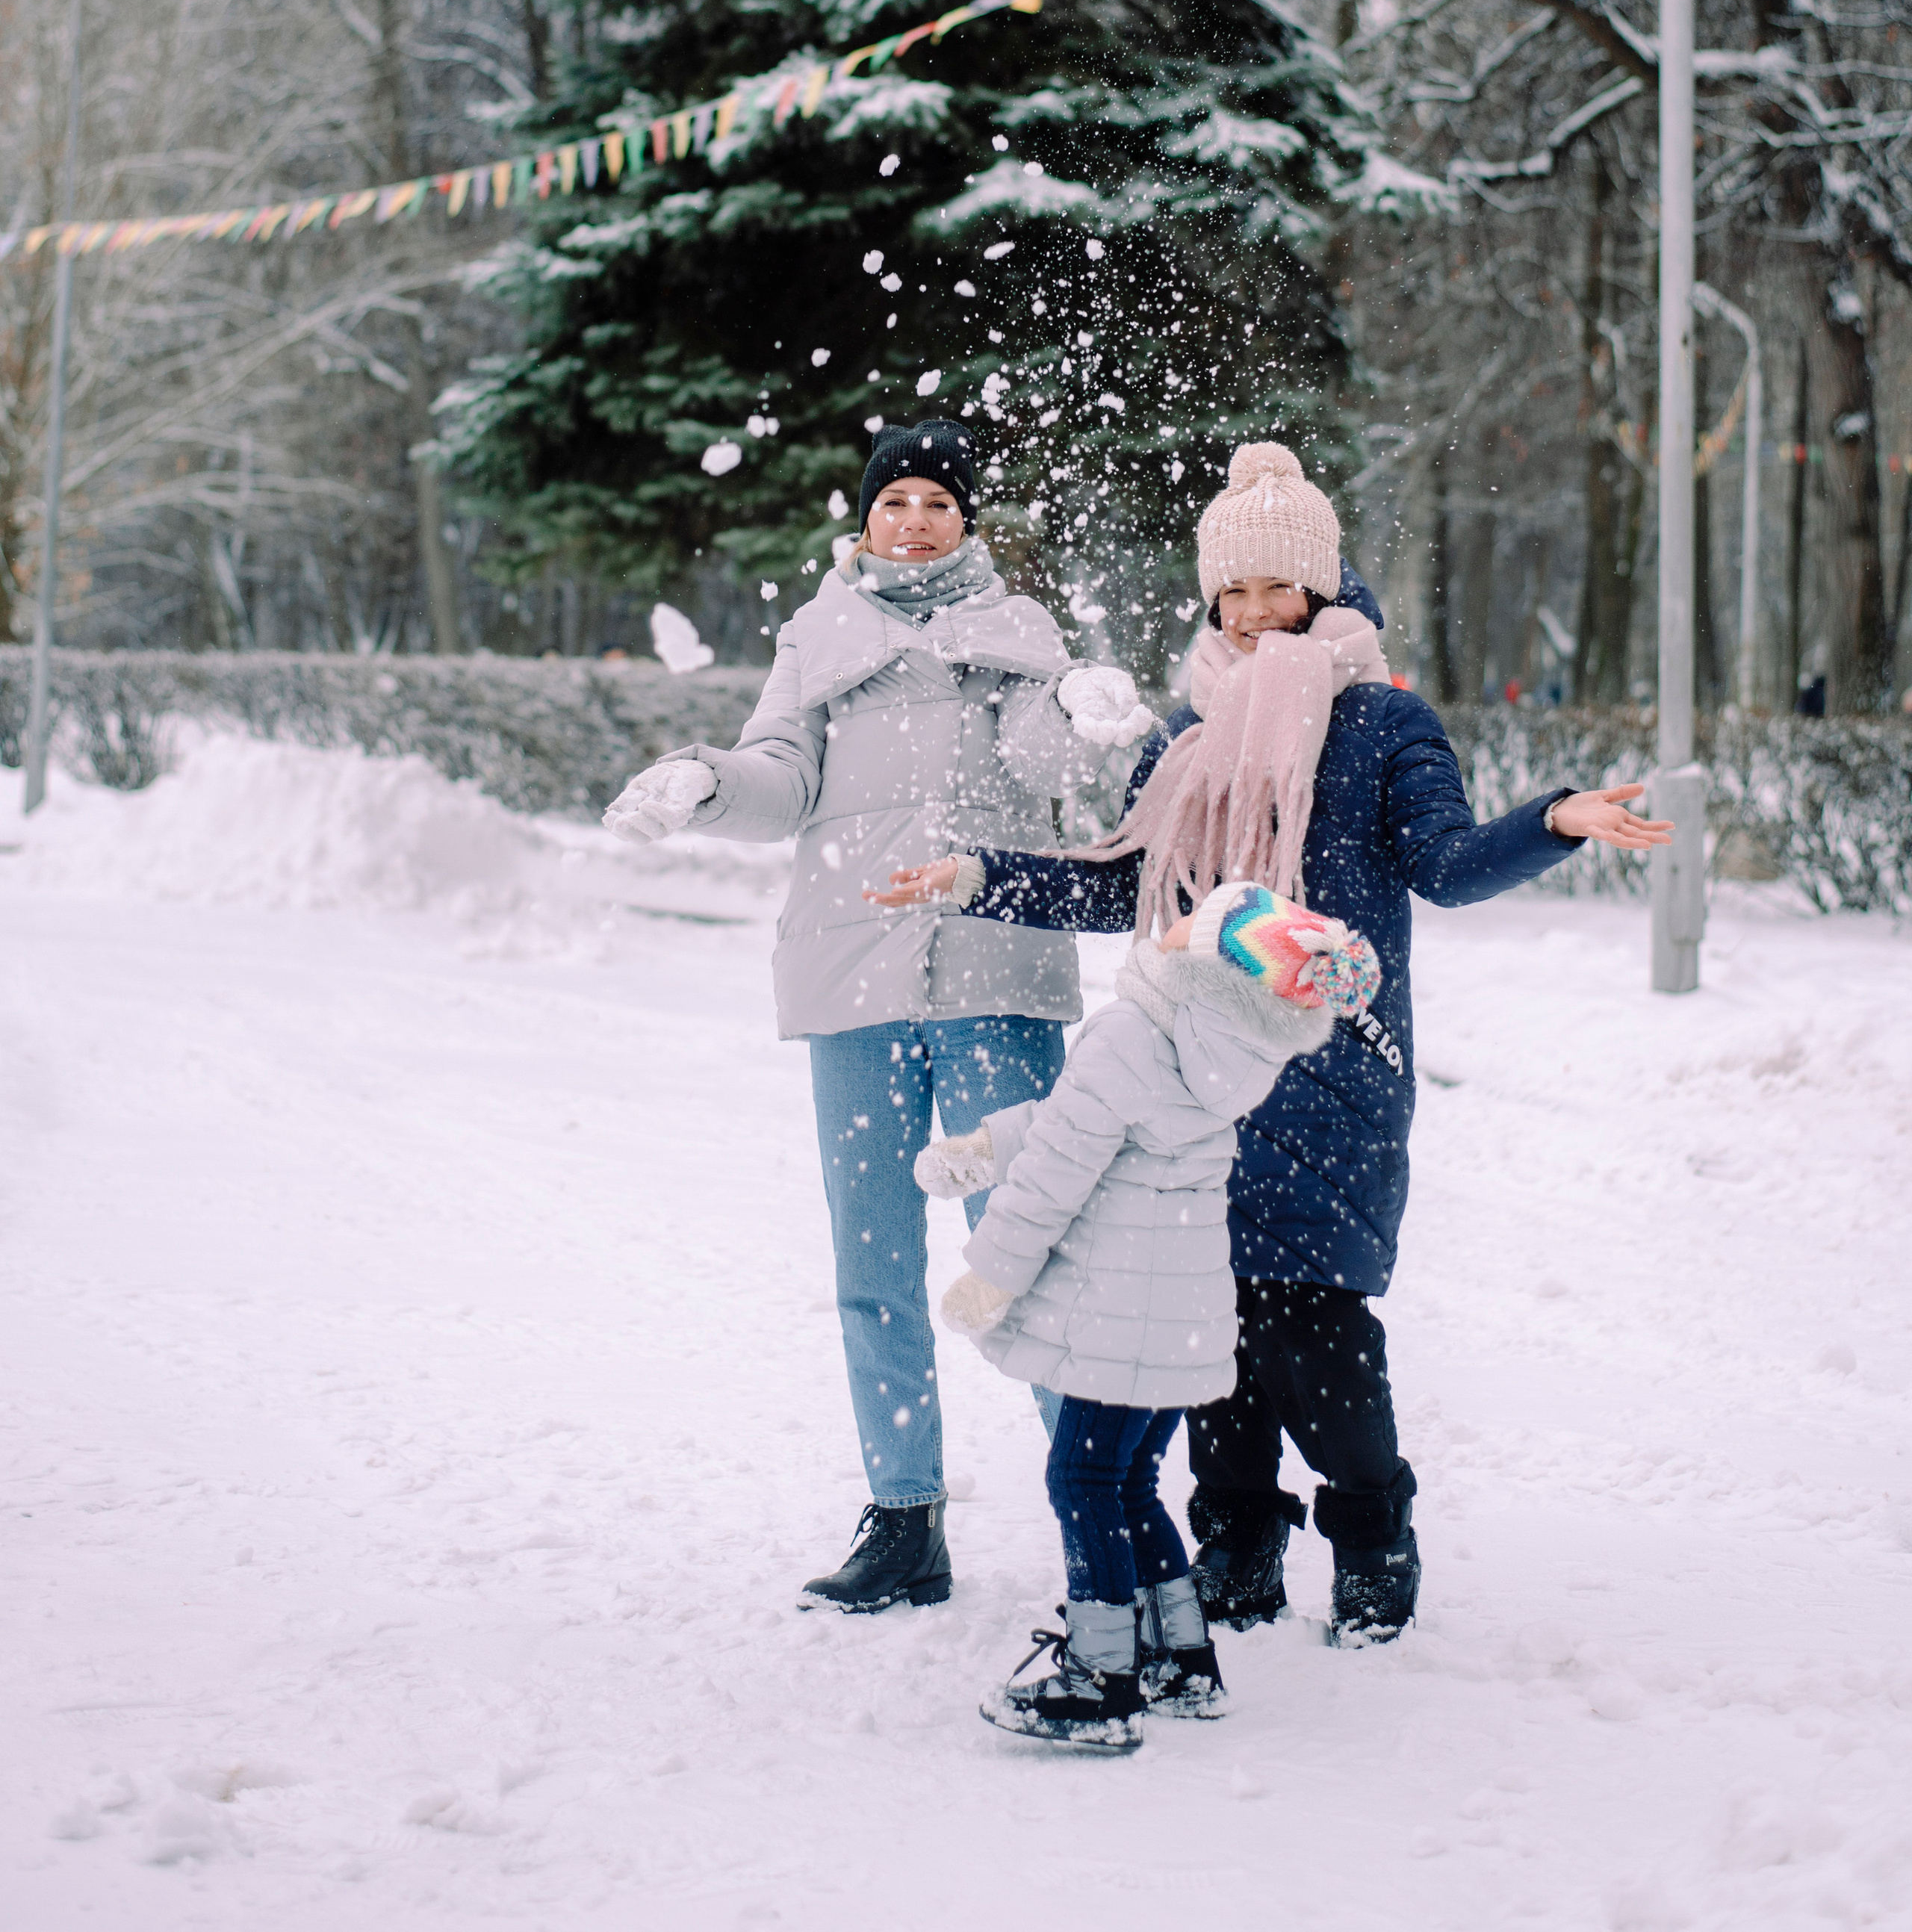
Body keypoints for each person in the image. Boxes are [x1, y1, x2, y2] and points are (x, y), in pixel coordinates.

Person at [872, 440, 1672, 1644]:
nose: (1252, 613)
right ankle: (1237, 1541)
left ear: (1323, 585)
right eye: (1231, 591)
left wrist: (1554, 818)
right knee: (1212, 1325)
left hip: (1337, 1070)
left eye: (1275, 588)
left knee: (1320, 1329)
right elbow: (1127, 891)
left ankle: (1371, 1533)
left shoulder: (1386, 725)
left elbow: (1446, 868)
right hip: (1203, 1078)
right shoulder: (1185, 740)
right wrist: (979, 873)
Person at [602, 417, 1152, 1613]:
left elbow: (1045, 760)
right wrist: (703, 782)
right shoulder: (817, 637)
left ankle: (1096, 1514)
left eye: (939, 502)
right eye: (896, 498)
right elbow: (780, 778)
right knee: (874, 1259)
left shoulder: (1019, 631)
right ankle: (905, 1518)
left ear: (967, 523)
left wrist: (1090, 710)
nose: (916, 517)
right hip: (852, 975)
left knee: (1031, 1249)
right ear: (866, 520)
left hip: (992, 971)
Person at [922, 875, 1380, 1750]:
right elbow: (1085, 1119)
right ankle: (1181, 1659)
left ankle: (1100, 1674)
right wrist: (985, 1148)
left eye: (1188, 922)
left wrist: (990, 1278)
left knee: (1081, 1483)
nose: (1167, 924)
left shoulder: (1136, 1030)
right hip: (1180, 1316)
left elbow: (1059, 1167)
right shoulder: (1225, 1047)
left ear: (1210, 958)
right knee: (1128, 1483)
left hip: (1112, 1319)